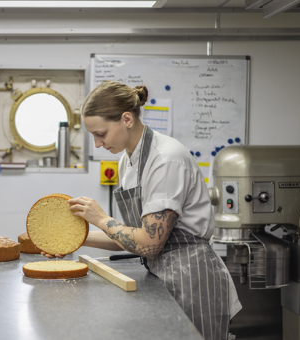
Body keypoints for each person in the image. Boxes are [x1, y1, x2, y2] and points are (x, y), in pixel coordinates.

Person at [42, 80, 241, 340]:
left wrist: (101, 219)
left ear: (126, 119)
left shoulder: (165, 160)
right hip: (163, 275)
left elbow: (149, 244)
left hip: (194, 281)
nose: (98, 143)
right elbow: (132, 237)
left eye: (101, 133)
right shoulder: (128, 160)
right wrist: (72, 241)